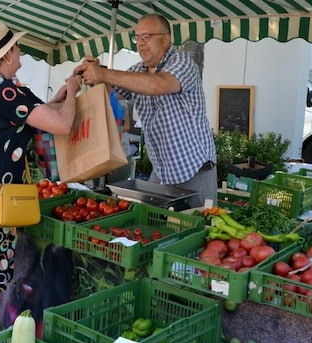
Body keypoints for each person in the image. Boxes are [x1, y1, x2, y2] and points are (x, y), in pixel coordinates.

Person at [0, 18, 80, 343]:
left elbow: (34, 115)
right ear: (8, 53)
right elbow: (63, 125)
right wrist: (75, 93)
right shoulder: (5, 89)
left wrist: (60, 96)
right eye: (18, 47)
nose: (21, 52)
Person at [74, 13, 217, 208]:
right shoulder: (138, 69)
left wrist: (105, 74)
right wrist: (96, 75)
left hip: (194, 170)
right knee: (156, 227)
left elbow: (158, 85)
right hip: (162, 171)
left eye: (147, 37)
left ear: (165, 40)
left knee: (198, 230)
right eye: (137, 38)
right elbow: (111, 92)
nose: (140, 43)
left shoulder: (182, 63)